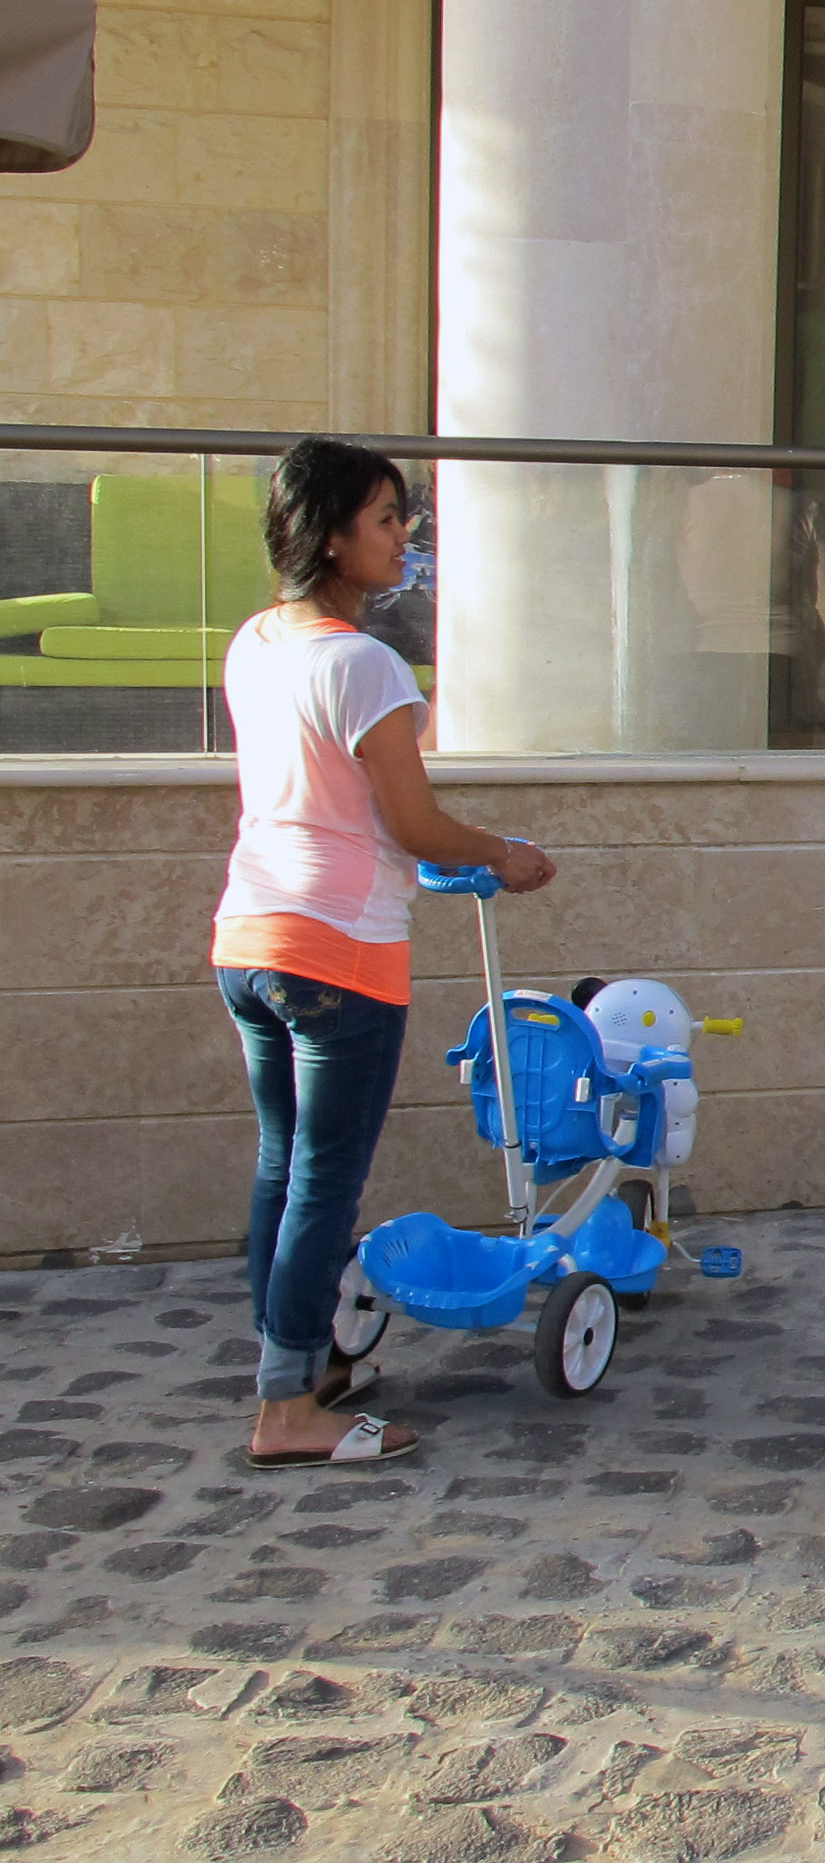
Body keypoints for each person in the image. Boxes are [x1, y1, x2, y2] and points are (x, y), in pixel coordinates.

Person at [215, 436, 555, 1469]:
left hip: (249, 937)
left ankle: (302, 1366)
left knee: (284, 1165)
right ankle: (287, 1411)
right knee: (323, 1182)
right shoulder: (363, 664)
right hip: (339, 953)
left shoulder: (256, 641)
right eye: (384, 519)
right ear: (330, 537)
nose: (404, 537)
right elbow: (413, 825)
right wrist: (505, 855)